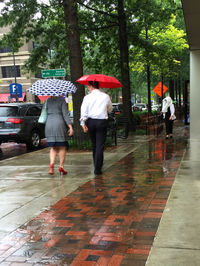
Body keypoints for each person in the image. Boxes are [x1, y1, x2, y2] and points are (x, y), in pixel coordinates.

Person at [80, 81, 113, 175]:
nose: (88, 89)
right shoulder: (105, 96)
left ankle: (96, 164)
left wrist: (83, 123)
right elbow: (110, 109)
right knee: (100, 145)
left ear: (91, 87)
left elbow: (84, 111)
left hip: (91, 122)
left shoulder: (87, 97)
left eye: (88, 87)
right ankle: (98, 167)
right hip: (102, 122)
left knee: (94, 144)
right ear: (98, 86)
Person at [44, 96, 73, 175]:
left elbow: (45, 112)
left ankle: (51, 164)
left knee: (53, 147)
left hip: (49, 123)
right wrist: (70, 126)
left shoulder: (48, 100)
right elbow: (65, 115)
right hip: (59, 124)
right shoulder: (62, 100)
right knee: (62, 146)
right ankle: (61, 167)